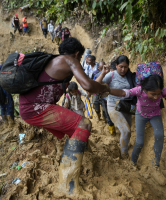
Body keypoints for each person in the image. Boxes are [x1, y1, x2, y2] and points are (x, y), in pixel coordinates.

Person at [18, 37, 110, 198]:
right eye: (80, 57)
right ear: (76, 54)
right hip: (36, 107)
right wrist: (103, 87)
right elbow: (87, 85)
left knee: (74, 130)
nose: (80, 61)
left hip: (30, 106)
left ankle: (83, 158)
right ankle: (67, 184)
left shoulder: (54, 60)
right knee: (84, 124)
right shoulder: (69, 60)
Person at [109, 74, 166, 186]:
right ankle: (133, 163)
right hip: (140, 115)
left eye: (158, 94)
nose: (156, 97)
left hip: (155, 115)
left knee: (160, 135)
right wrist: (108, 90)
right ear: (145, 90)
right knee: (140, 142)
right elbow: (123, 93)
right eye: (153, 94)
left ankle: (155, 166)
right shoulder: (139, 90)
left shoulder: (162, 90)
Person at [96, 55, 135, 159]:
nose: (123, 69)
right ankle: (124, 155)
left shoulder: (130, 76)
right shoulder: (111, 75)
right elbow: (96, 84)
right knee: (126, 130)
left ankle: (124, 147)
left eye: (125, 67)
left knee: (128, 131)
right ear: (116, 65)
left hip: (126, 106)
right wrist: (103, 73)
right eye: (120, 66)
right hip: (113, 105)